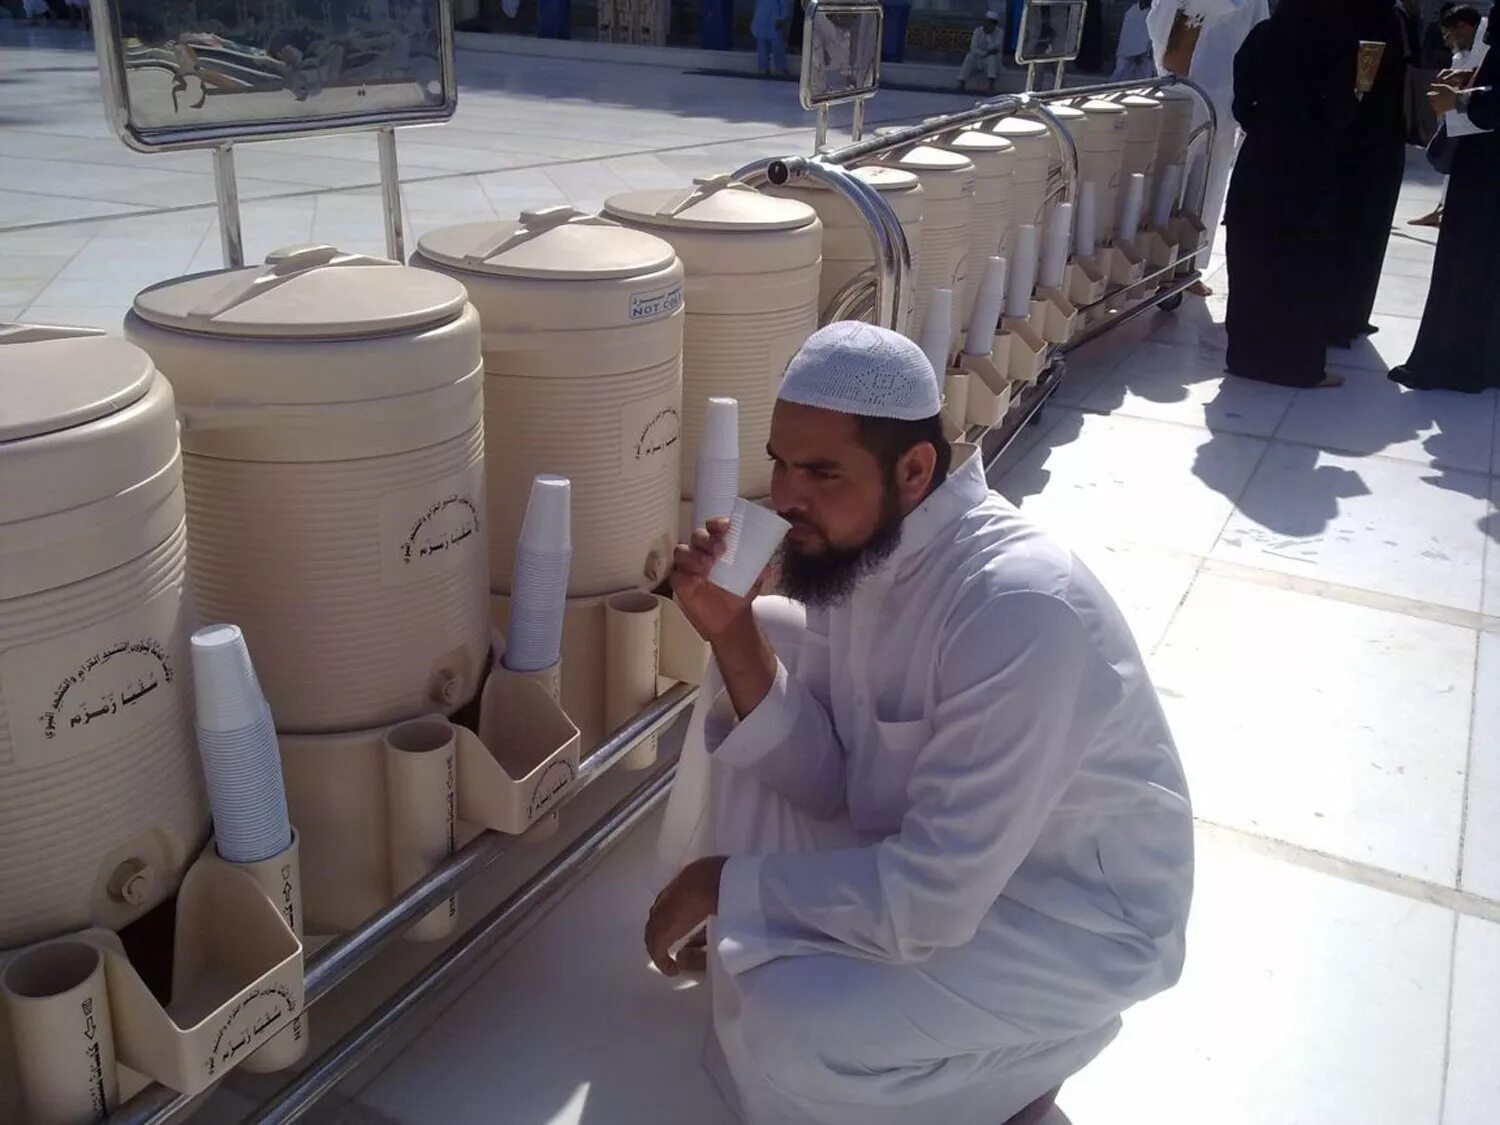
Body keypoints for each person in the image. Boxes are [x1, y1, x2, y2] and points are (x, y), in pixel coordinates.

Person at [646, 322, 1194, 1125]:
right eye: (781, 463)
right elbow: (829, 774)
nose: (786, 496)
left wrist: (724, 882)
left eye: (822, 471)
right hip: (944, 856)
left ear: (914, 469)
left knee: (791, 1035)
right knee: (763, 621)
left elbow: (932, 899)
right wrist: (730, 631)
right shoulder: (863, 551)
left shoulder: (1019, 606)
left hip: (1068, 919)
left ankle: (1024, 1065)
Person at [1223, 0, 1357, 388]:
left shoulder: (1265, 35)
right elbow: (1342, 111)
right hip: (1307, 165)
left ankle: (1246, 356)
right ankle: (1296, 365)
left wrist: (1264, 121)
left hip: (1261, 159)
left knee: (1251, 256)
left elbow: (1241, 97)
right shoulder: (1335, 40)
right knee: (1301, 263)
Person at [1390, 24, 1499, 392]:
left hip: (1486, 173)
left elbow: (1493, 107)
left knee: (1466, 265)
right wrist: (1473, 85)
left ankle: (1450, 364)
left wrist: (1459, 99)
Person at [1146, 0, 1271, 297]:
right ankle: (1155, 261)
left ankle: (1190, 264)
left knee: (1208, 189)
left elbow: (1261, 31)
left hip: (1226, 95)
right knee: (1170, 183)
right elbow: (1160, 20)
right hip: (1182, 89)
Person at [1326, 0, 1407, 349]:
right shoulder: (1382, 15)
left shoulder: (1372, 14)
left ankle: (1346, 314)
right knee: (1358, 227)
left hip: (1362, 136)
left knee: (1355, 226)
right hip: (1371, 138)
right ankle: (1344, 316)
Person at [1410, 6, 1489, 228]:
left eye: (1448, 34)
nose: (1447, 41)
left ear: (1463, 27)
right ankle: (1442, 208)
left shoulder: (1488, 40)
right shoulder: (1463, 53)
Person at [959, 11, 1006, 93]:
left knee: (992, 58)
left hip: (991, 60)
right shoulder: (978, 31)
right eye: (987, 22)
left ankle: (991, 86)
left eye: (990, 23)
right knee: (969, 57)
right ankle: (961, 83)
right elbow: (973, 48)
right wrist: (984, 53)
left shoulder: (999, 32)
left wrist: (989, 35)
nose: (987, 24)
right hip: (979, 58)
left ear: (994, 24)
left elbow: (996, 48)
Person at [1113, 0, 1157, 81]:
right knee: (1121, 71)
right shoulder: (1131, 13)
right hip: (1127, 53)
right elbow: (1126, 36)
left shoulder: (1154, 14)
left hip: (1146, 54)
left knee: (1145, 75)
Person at [752, 0, 792, 78]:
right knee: (762, 46)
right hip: (760, 20)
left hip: (775, 21)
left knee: (777, 45)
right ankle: (764, 68)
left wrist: (782, 18)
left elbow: (784, 6)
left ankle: (781, 68)